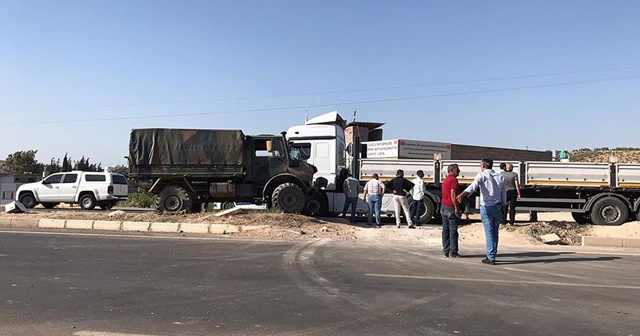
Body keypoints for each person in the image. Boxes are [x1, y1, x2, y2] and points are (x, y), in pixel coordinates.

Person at [456, 157, 506, 265]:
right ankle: (493, 253)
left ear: (483, 166)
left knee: (489, 232)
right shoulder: (500, 176)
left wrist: (462, 194)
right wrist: (503, 205)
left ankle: (490, 256)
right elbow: (504, 195)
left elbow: (473, 187)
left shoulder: (481, 175)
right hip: (497, 207)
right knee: (495, 232)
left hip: (486, 207)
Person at [441, 164, 461, 258]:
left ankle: (446, 250)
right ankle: (453, 251)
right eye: (457, 169)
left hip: (444, 206)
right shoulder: (453, 180)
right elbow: (453, 194)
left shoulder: (445, 180)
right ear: (452, 170)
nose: (459, 171)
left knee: (445, 229)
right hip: (450, 206)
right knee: (453, 230)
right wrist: (456, 207)